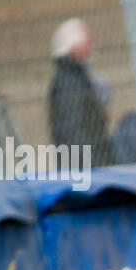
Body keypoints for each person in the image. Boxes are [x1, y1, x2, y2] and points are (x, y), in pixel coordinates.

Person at [47, 18, 117, 166]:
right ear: (72, 47)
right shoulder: (67, 82)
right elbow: (72, 133)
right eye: (87, 42)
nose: (91, 46)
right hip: (86, 170)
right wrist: (93, 168)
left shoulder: (77, 77)